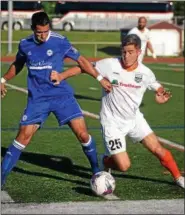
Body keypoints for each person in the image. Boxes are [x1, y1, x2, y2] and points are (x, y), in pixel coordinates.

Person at [50, 34, 184, 189]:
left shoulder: (145, 73)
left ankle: (179, 178)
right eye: (124, 52)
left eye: (130, 52)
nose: (126, 56)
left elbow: (155, 85)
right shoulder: (109, 64)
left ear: (139, 52)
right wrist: (61, 76)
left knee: (158, 149)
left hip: (135, 120)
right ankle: (106, 161)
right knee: (124, 166)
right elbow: (84, 67)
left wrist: (161, 92)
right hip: (112, 123)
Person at [1, 12, 112, 188]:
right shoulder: (25, 44)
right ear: (33, 29)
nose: (43, 36)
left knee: (83, 135)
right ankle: (1, 179)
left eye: (46, 31)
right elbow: (18, 64)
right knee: (22, 137)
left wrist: (100, 79)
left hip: (62, 96)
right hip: (38, 99)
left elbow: (82, 61)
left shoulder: (60, 41)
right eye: (39, 33)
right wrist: (3, 80)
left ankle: (96, 171)